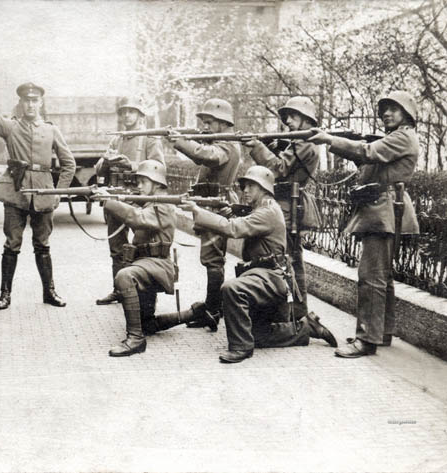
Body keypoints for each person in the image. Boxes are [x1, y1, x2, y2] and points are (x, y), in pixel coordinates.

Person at [179, 166, 337, 363]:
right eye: (244, 186)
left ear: (264, 188)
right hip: (263, 277)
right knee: (256, 333)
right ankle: (306, 327)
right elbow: (242, 222)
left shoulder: (268, 211)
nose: (244, 190)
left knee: (231, 289)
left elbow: (233, 229)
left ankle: (241, 348)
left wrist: (197, 211)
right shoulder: (262, 209)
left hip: (271, 277)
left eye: (250, 186)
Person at [308, 91, 420, 358]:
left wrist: (330, 139)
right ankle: (381, 333)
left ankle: (366, 340)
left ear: (407, 114)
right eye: (384, 110)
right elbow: (370, 157)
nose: (386, 114)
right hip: (383, 208)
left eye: (393, 109)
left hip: (384, 210)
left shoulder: (402, 136)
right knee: (382, 278)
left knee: (370, 278)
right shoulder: (397, 137)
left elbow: (368, 151)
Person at [0, 65, 76, 310]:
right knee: (12, 243)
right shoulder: (11, 127)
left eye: (35, 100)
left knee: (43, 245)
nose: (30, 105)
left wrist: (57, 194)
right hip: (16, 192)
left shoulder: (51, 130)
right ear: (20, 103)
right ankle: (5, 294)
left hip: (43, 193)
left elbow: (69, 164)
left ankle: (49, 293)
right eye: (26, 100)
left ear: (41, 103)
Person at [166, 98, 241, 330]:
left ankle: (213, 310)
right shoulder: (219, 142)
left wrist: (181, 142)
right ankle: (212, 307)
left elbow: (207, 156)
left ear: (223, 123)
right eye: (204, 122)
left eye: (209, 122)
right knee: (211, 260)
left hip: (216, 206)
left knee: (213, 261)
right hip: (212, 204)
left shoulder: (227, 145)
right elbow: (204, 152)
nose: (205, 127)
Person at [245, 96, 322, 322]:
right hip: (287, 204)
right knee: (290, 259)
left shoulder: (304, 143)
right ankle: (295, 312)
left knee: (287, 260)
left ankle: (297, 314)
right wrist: (270, 144)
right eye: (287, 116)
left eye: (293, 115)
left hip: (289, 206)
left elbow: (279, 169)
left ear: (306, 118)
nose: (288, 120)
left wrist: (258, 147)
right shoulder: (296, 141)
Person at [92, 161, 176, 357]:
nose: (138, 186)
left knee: (124, 276)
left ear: (156, 183)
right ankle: (193, 314)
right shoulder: (151, 202)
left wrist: (109, 201)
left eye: (143, 182)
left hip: (157, 264)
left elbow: (137, 218)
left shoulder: (162, 204)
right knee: (148, 323)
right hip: (146, 264)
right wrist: (115, 197)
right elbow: (134, 210)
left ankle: (136, 339)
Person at [95, 96, 164, 306]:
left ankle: (143, 293)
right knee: (116, 247)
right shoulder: (117, 139)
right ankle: (119, 290)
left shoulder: (150, 138)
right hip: (118, 197)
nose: (126, 115)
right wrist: (105, 161)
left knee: (144, 245)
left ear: (141, 115)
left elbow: (159, 167)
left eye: (131, 111)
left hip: (139, 198)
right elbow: (99, 169)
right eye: (123, 112)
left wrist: (132, 165)